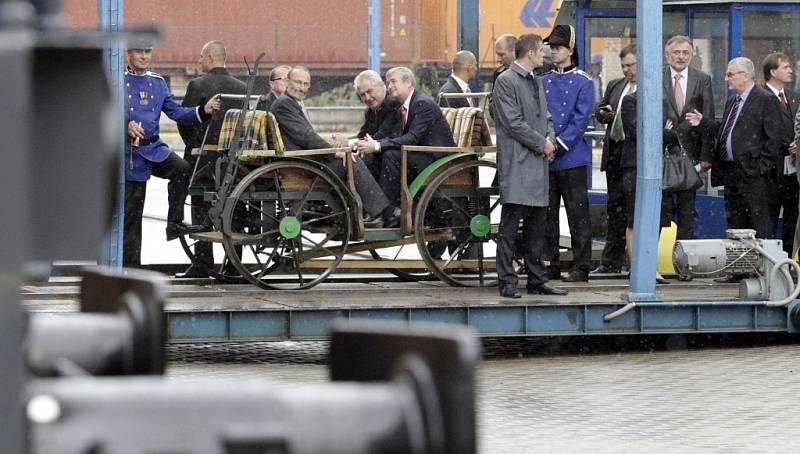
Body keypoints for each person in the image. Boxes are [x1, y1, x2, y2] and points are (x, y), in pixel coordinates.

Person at [124, 42, 219, 267]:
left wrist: (202, 110)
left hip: (153, 148)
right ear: (128, 53)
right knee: (132, 217)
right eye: (139, 51)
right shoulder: (116, 81)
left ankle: (174, 222)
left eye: (147, 52)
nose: (144, 56)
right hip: (128, 154)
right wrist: (125, 124)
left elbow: (175, 112)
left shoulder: (157, 83)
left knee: (182, 169)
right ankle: (129, 269)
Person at [270, 66, 399, 228]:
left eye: (306, 84)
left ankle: (367, 211)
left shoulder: (288, 103)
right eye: (298, 83)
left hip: (300, 158)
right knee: (352, 162)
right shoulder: (285, 104)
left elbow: (306, 136)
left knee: (352, 158)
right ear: (287, 81)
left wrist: (339, 147)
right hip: (302, 161)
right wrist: (335, 152)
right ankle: (385, 212)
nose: (302, 88)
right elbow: (306, 137)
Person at [492, 33, 567, 298]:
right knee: (510, 225)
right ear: (531, 53)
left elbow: (545, 116)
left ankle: (537, 278)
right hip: (517, 162)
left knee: (537, 225)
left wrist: (550, 140)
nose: (545, 55)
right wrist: (542, 144)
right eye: (541, 51)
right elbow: (512, 123)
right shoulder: (505, 81)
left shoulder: (535, 81)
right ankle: (507, 281)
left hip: (536, 162)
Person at [686, 57, 783, 241]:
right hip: (732, 175)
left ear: (745, 76)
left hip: (755, 177)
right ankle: (740, 268)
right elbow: (728, 131)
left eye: (730, 74)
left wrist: (759, 169)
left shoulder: (765, 99)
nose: (726, 78)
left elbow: (774, 139)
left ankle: (760, 269)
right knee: (735, 227)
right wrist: (703, 123)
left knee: (758, 226)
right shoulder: (733, 102)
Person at [177, 40, 247, 277]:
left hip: (204, 158)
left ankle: (203, 262)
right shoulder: (241, 86)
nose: (199, 61)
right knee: (236, 207)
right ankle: (234, 264)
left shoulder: (197, 85)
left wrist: (193, 144)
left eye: (200, 57)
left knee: (200, 206)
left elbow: (185, 119)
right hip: (234, 161)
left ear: (209, 57)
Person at [355, 67, 455, 207]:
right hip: (421, 154)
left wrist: (377, 145)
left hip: (438, 158)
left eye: (393, 82)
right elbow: (396, 136)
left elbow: (412, 138)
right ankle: (381, 209)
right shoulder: (404, 106)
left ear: (408, 82)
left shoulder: (422, 103)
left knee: (391, 156)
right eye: (388, 82)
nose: (389, 86)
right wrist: (376, 146)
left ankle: (391, 210)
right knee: (380, 155)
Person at [540, 25, 595, 282]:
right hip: (547, 157)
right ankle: (551, 263)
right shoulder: (543, 80)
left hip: (571, 158)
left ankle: (581, 266)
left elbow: (580, 119)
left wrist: (558, 145)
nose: (553, 52)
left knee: (578, 215)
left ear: (570, 50)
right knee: (548, 215)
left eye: (558, 48)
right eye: (551, 48)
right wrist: (544, 144)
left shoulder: (584, 81)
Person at [662, 35, 715, 241]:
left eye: (685, 53)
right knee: (661, 212)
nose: (681, 57)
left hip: (690, 154)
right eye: (676, 52)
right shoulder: (656, 76)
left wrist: (706, 156)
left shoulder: (702, 79)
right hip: (663, 152)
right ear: (667, 55)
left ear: (691, 55)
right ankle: (654, 262)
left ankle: (684, 264)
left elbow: (707, 117)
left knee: (687, 213)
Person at [591, 44, 638, 275]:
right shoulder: (616, 85)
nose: (627, 70)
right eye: (623, 66)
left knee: (633, 210)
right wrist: (604, 114)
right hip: (615, 154)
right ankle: (610, 261)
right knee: (615, 208)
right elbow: (600, 111)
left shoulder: (651, 88)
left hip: (635, 156)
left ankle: (634, 263)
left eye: (630, 65)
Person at [620, 91, 675, 284]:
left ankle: (650, 265)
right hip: (634, 166)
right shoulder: (630, 101)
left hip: (658, 166)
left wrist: (663, 133)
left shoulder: (662, 99)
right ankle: (636, 266)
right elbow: (638, 131)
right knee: (634, 218)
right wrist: (662, 132)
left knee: (657, 218)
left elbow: (673, 134)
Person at [762, 52, 798, 256]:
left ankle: (788, 259)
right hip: (770, 170)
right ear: (773, 72)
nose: (790, 70)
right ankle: (769, 262)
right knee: (769, 217)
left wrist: (797, 145)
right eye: (785, 67)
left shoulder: (794, 96)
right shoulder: (761, 97)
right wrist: (786, 145)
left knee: (792, 216)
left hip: (793, 170)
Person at [349, 69, 400, 180]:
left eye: (370, 91)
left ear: (381, 85)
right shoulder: (370, 110)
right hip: (382, 153)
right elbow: (362, 135)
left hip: (394, 157)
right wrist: (346, 143)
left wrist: (351, 143)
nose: (367, 98)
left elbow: (380, 136)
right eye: (362, 95)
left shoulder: (393, 104)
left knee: (359, 160)